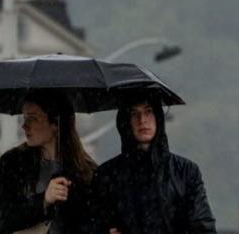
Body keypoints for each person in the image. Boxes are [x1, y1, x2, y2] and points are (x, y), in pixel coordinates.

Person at [91, 93, 216, 234]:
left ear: (158, 117)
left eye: (148, 111)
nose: (142, 120)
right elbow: (91, 224)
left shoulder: (186, 171)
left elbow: (203, 227)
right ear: (126, 121)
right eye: (134, 113)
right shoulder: (106, 175)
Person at [0, 90, 97, 234]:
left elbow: (96, 220)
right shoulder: (8, 166)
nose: (24, 126)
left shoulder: (86, 171)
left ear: (55, 123)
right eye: (24, 118)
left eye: (32, 119)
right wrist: (43, 200)